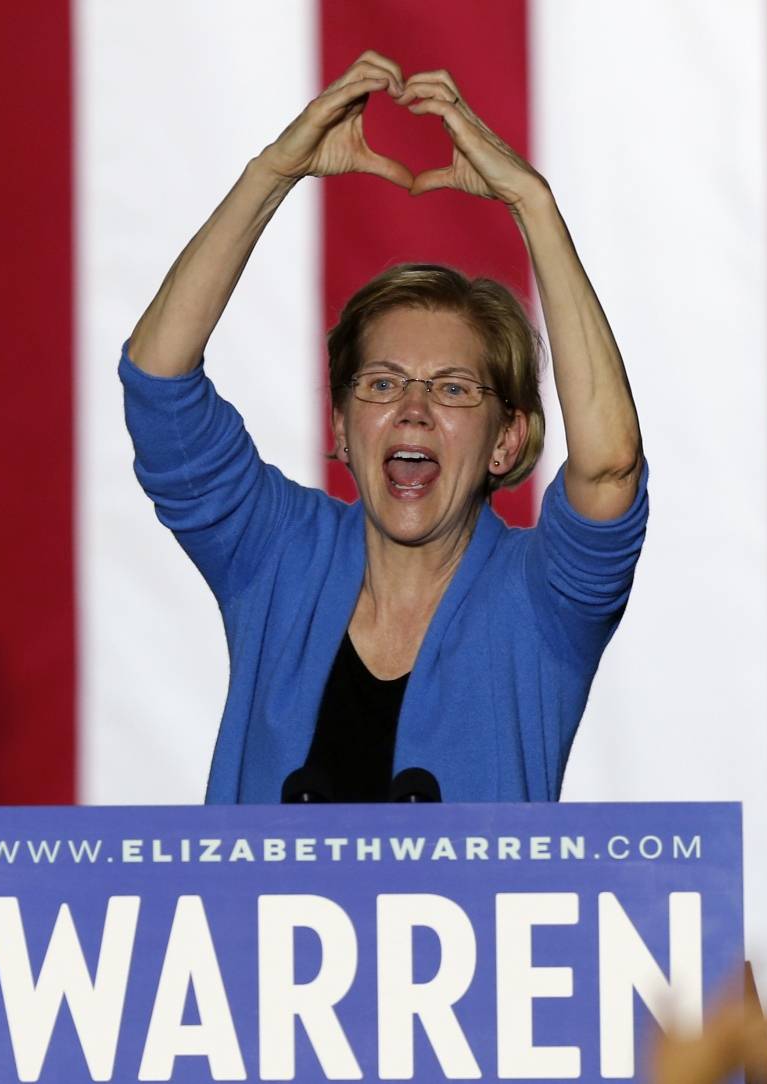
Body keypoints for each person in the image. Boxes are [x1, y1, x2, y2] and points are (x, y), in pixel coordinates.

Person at [123, 49, 647, 803]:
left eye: (454, 388)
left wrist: (533, 203)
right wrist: (271, 176)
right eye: (381, 382)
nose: (412, 408)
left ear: (508, 440)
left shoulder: (540, 602)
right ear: (339, 426)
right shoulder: (278, 556)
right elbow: (159, 381)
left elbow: (609, 469)